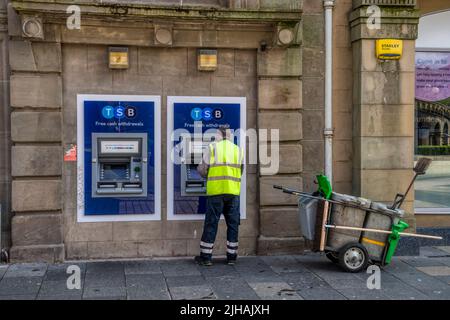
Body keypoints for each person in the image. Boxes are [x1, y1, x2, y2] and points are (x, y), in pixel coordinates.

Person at [195, 126, 244, 266]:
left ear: (219, 135)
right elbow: (240, 171)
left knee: (211, 223)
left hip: (216, 192)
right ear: (229, 135)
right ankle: (232, 257)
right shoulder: (237, 149)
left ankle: (206, 257)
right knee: (233, 224)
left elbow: (202, 170)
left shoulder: (212, 148)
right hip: (233, 193)